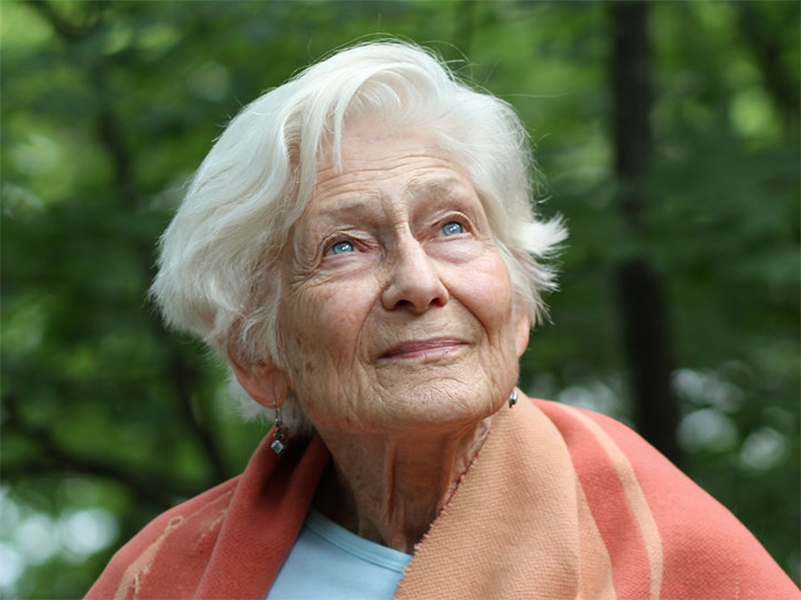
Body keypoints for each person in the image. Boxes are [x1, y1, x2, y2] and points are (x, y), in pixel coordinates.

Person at [85, 41, 799, 599]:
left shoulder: (667, 545)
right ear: (255, 352)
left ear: (516, 304)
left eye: (451, 227)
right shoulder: (161, 577)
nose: (418, 283)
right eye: (343, 246)